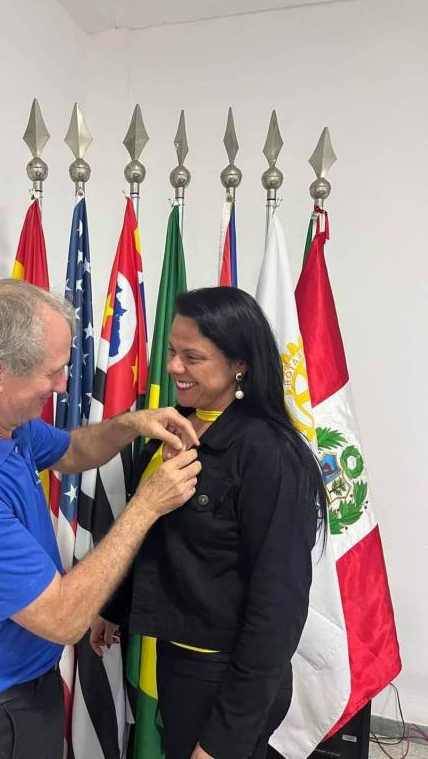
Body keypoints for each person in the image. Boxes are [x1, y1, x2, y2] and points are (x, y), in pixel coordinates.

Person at [0, 278, 201, 759]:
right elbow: (63, 619)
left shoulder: (1, 426)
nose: (62, 385)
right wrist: (146, 506)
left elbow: (72, 451)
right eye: (52, 372)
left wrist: (132, 424)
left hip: (27, 691)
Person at [92, 286, 327, 759]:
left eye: (192, 357)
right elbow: (161, 537)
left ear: (240, 363)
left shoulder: (268, 454)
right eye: (172, 352)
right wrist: (117, 606)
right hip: (176, 657)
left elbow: (278, 607)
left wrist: (225, 737)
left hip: (224, 677)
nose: (174, 367)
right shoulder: (177, 427)